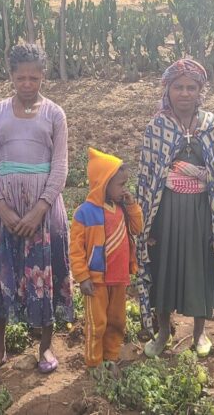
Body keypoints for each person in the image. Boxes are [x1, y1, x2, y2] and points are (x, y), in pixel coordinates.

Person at [135, 58, 214, 358]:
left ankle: (199, 333)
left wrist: (209, 189)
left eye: (191, 87)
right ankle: (163, 332)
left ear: (200, 91)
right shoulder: (157, 127)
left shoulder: (213, 126)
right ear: (167, 90)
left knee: (201, 269)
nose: (184, 93)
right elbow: (147, 177)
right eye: (178, 87)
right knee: (163, 269)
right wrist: (146, 223)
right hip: (166, 212)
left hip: (203, 212)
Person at [0, 44, 74, 377]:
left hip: (44, 210)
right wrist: (0, 205)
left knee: (45, 274)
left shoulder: (55, 114)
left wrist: (40, 209)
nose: (28, 84)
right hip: (4, 208)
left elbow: (60, 165)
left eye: (34, 77)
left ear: (43, 76)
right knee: (0, 271)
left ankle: (45, 345)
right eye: (21, 78)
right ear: (11, 76)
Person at [70, 148, 143, 375]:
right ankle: (94, 363)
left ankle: (110, 356)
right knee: (97, 323)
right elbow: (76, 250)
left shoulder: (122, 209)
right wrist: (82, 277)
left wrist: (132, 206)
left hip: (119, 277)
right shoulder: (84, 213)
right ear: (103, 184)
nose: (124, 189)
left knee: (117, 320)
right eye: (120, 185)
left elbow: (137, 228)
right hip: (96, 281)